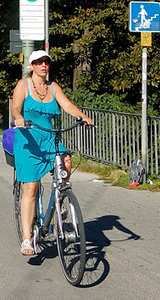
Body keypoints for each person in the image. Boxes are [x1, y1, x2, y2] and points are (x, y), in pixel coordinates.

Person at [11, 50, 93, 256]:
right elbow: (15, 108)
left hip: (49, 139)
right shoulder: (23, 85)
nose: (43, 66)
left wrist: (83, 116)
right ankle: (27, 239)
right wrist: (18, 118)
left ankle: (59, 200)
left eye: (46, 62)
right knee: (31, 187)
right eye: (38, 62)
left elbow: (66, 105)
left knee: (66, 161)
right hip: (28, 140)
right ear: (32, 66)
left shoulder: (53, 87)